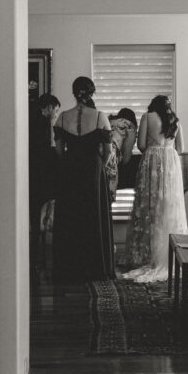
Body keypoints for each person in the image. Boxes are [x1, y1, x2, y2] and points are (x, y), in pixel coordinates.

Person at [51, 77, 116, 283]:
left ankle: (70, 268)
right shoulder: (99, 117)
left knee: (71, 215)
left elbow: (60, 151)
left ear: (74, 93)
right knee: (92, 215)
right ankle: (94, 268)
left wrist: (71, 161)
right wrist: (98, 165)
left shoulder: (62, 117)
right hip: (92, 169)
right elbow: (107, 152)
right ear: (91, 93)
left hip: (70, 169)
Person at [119, 94, 188, 283]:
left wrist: (152, 149)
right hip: (171, 165)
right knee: (168, 207)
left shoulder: (147, 117)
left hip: (152, 163)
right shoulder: (176, 120)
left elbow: (141, 145)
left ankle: (145, 254)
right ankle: (171, 254)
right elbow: (181, 148)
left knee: (149, 207)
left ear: (153, 105)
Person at [29, 93, 60, 271]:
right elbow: (43, 151)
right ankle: (36, 256)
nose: (56, 114)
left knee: (34, 214)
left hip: (32, 172)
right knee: (37, 212)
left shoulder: (31, 116)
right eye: (55, 110)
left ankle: (35, 253)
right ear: (48, 108)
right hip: (38, 174)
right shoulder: (42, 122)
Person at [105, 108, 138, 197]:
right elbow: (126, 158)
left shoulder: (109, 122)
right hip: (110, 158)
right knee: (108, 196)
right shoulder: (130, 127)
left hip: (95, 157)